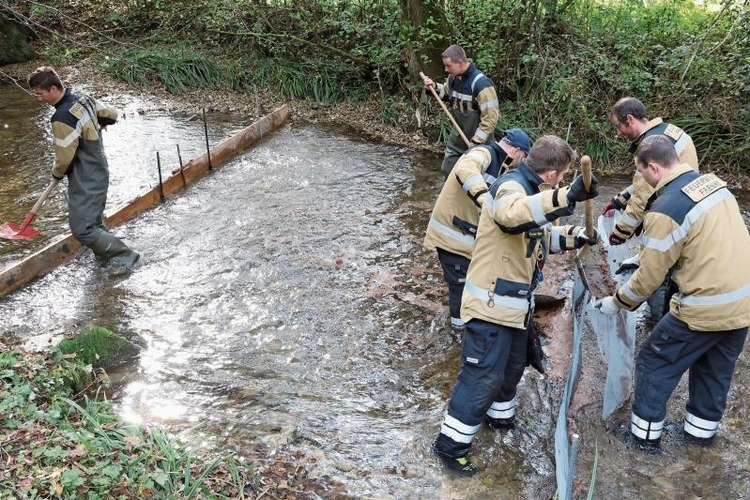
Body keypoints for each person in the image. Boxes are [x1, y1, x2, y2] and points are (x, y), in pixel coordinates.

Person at [432, 135, 600, 476]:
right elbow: (510, 216)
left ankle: (500, 420)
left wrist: (575, 236)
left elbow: (536, 238)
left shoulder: (533, 192)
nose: (565, 182)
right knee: (483, 376)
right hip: (491, 305)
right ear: (552, 174)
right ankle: (450, 447)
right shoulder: (511, 188)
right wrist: (567, 197)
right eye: (564, 177)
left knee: (511, 369)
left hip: (514, 307)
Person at [594, 135, 750, 453]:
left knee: (654, 361)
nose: (640, 182)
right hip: (741, 304)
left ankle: (643, 439)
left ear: (653, 167)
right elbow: (706, 241)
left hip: (703, 308)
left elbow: (648, 282)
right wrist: (646, 255)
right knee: (712, 368)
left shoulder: (666, 208)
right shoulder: (713, 184)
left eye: (640, 173)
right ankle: (699, 436)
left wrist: (617, 301)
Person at [28, 66, 139, 276]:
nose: (39, 99)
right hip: (99, 170)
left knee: (82, 229)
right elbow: (111, 115)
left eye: (40, 94)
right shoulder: (81, 98)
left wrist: (56, 174)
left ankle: (124, 256)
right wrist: (98, 124)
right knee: (94, 221)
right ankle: (105, 256)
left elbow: (63, 158)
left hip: (85, 176)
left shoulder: (62, 118)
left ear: (53, 88)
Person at [423, 128, 531, 330]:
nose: (521, 162)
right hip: (452, 235)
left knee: (470, 284)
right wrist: (483, 197)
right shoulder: (484, 153)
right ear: (516, 151)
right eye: (523, 157)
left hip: (463, 237)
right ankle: (458, 331)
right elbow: (466, 169)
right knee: (460, 285)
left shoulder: (502, 166)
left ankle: (463, 324)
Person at [603, 97, 699, 321]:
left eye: (618, 126)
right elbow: (648, 182)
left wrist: (621, 232)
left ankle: (657, 321)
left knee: (659, 270)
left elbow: (642, 198)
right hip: (686, 210)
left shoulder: (650, 145)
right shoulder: (669, 132)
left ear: (630, 119)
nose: (617, 133)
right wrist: (619, 199)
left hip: (670, 216)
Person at [421, 45, 500, 178]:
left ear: (461, 63)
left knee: (478, 177)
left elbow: (490, 119)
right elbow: (446, 94)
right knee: (448, 170)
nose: (446, 69)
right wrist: (433, 87)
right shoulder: (453, 79)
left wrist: (476, 143)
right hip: (458, 138)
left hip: (480, 143)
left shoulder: (482, 84)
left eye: (448, 65)